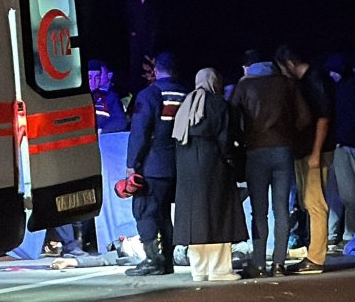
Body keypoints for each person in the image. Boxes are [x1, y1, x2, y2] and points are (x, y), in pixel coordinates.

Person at [231, 50, 311, 277]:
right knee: (282, 208)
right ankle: (279, 264)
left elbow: (232, 117)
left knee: (259, 212)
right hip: (283, 151)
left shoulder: (244, 86)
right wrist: (287, 133)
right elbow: (305, 118)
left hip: (255, 152)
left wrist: (243, 138)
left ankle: (258, 264)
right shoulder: (286, 84)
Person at [171, 68, 247, 281]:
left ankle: (199, 270)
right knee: (219, 215)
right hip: (212, 164)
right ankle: (219, 270)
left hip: (186, 167)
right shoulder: (218, 104)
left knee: (194, 218)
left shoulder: (186, 105)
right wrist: (232, 161)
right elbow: (225, 139)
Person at [124, 52, 187, 276]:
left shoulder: (149, 94)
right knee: (163, 215)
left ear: (156, 70)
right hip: (178, 165)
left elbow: (140, 132)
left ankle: (153, 260)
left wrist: (132, 163)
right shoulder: (186, 94)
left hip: (153, 165)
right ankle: (167, 261)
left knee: (145, 212)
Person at [276, 45, 336, 274]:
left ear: (289, 64)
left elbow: (323, 119)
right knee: (309, 203)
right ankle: (313, 254)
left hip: (314, 152)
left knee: (315, 202)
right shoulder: (307, 81)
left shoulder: (315, 80)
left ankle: (316, 258)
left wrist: (315, 153)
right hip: (305, 150)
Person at [327, 54, 355, 246]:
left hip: (344, 145)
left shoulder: (345, 88)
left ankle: (345, 232)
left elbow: (347, 117)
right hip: (354, 143)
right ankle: (344, 231)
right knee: (349, 189)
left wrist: (338, 140)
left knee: (345, 192)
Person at [125, 0, 157, 93]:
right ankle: (134, 82)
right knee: (135, 60)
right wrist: (131, 31)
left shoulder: (150, 3)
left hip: (147, 36)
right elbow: (127, 18)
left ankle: (147, 81)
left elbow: (153, 20)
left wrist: (151, 33)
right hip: (135, 36)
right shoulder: (131, 3)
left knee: (148, 57)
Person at [88, 59, 129, 133]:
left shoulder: (110, 97)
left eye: (96, 77)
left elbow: (120, 122)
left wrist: (101, 131)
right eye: (90, 78)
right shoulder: (77, 98)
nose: (93, 82)